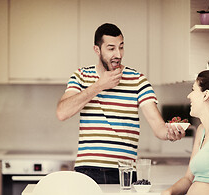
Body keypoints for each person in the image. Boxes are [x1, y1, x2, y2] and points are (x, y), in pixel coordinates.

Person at [56, 23, 185, 184]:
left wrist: (170, 134)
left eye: (121, 47)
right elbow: (62, 112)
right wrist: (98, 86)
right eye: (111, 48)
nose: (118, 54)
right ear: (97, 50)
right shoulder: (81, 76)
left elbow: (158, 126)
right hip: (87, 170)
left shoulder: (138, 80)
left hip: (124, 172)